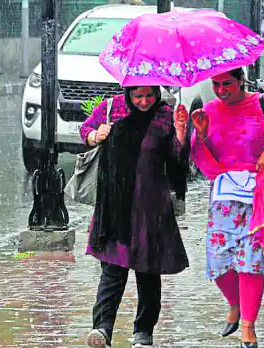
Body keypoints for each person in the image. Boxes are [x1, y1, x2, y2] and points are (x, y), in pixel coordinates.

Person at [190, 68, 264, 348]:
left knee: (251, 263)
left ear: (241, 80)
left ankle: (248, 327)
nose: (221, 90)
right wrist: (199, 136)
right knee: (218, 262)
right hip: (224, 197)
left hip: (260, 196)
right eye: (215, 85)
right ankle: (235, 303)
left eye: (227, 83)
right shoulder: (209, 111)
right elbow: (202, 160)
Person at [80, 86, 190, 347]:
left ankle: (143, 331)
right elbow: (85, 130)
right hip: (115, 206)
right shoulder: (111, 109)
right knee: (112, 270)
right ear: (128, 92)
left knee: (148, 271)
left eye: (149, 95)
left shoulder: (165, 116)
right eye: (137, 96)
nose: (143, 101)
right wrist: (96, 135)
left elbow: (178, 157)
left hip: (151, 207)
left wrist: (182, 132)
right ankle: (102, 328)